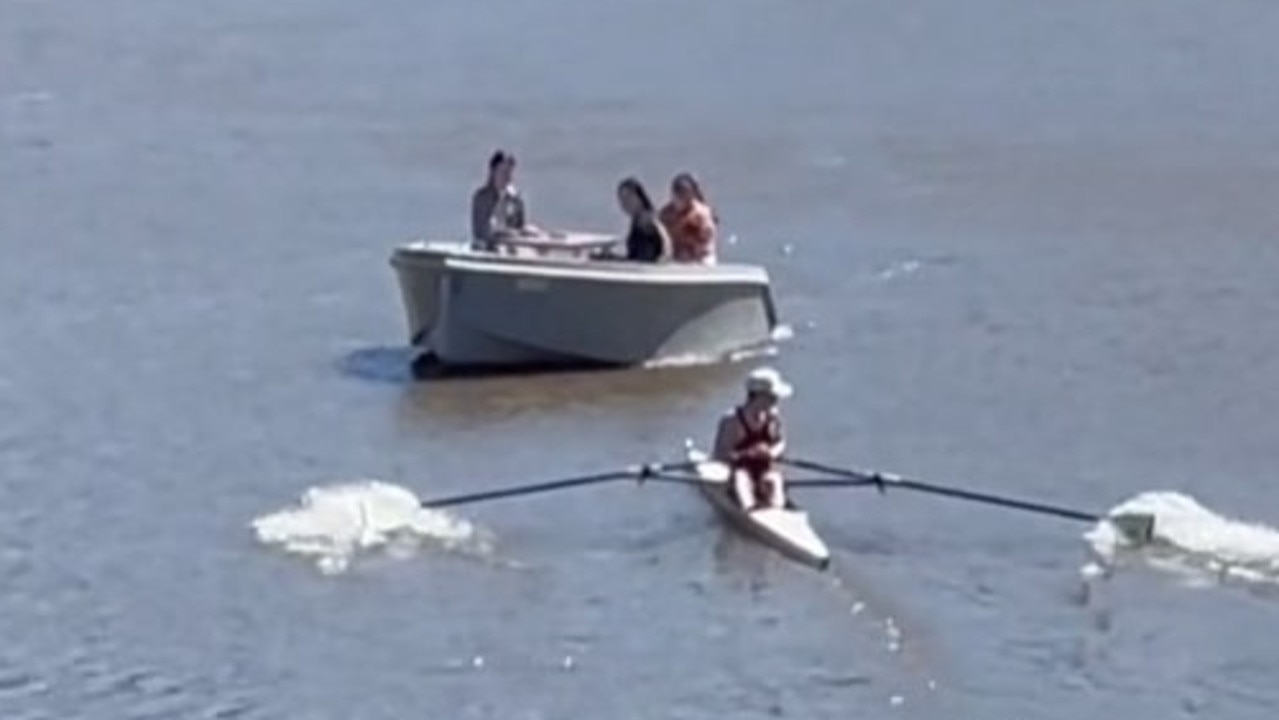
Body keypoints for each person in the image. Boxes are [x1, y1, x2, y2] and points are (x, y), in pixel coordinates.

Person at [711, 367, 792, 510]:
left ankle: (777, 513)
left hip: (765, 471)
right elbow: (719, 455)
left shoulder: (773, 417)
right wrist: (748, 454)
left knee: (774, 480)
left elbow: (781, 442)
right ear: (758, 396)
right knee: (742, 480)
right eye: (772, 397)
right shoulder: (732, 420)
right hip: (739, 472)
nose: (776, 400)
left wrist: (771, 453)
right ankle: (750, 512)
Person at [470, 150, 535, 250]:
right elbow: (483, 231)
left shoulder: (515, 199)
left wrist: (527, 231)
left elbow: (519, 226)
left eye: (510, 173)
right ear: (493, 172)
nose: (508, 177)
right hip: (486, 249)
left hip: (511, 250)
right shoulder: (482, 197)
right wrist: (508, 234)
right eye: (503, 172)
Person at [658, 172, 718, 264]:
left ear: (692, 194)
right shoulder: (665, 214)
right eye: (678, 193)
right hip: (673, 259)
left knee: (707, 261)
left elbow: (706, 243)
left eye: (685, 194)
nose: (681, 197)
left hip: (699, 259)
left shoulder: (701, 214)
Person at [611, 176, 670, 263]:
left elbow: (661, 250)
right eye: (622, 199)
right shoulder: (637, 221)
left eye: (628, 198)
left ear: (639, 197)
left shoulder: (648, 222)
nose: (625, 203)